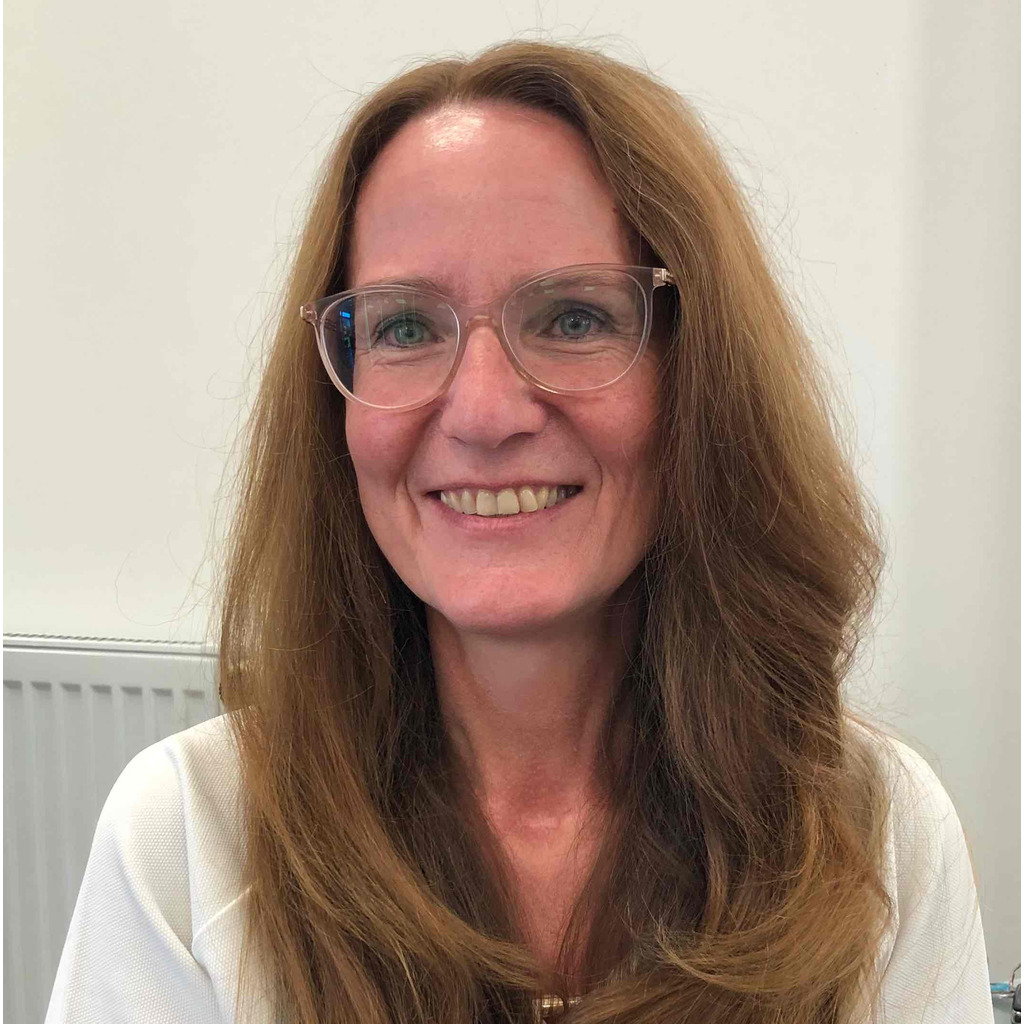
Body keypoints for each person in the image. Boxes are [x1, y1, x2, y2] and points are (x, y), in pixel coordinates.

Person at [45, 40, 994, 1024]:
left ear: (699, 375)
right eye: (405, 328)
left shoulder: (876, 831)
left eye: (574, 317)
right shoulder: (191, 838)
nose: (484, 413)